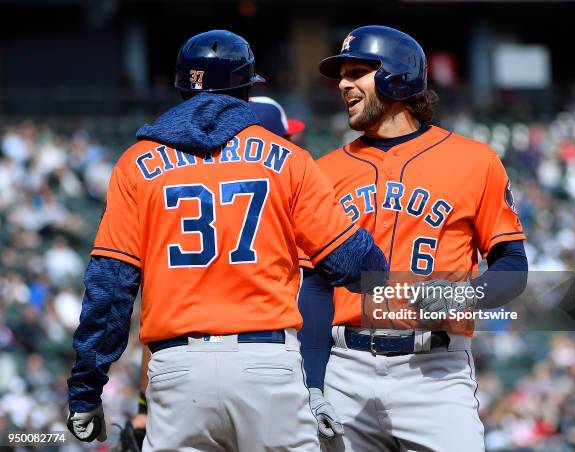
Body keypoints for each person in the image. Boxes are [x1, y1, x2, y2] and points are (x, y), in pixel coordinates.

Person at [66, 29, 387, 452]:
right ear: (246, 89)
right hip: (267, 363)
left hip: (177, 370)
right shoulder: (287, 160)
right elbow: (355, 265)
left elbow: (109, 289)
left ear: (181, 87)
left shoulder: (135, 164)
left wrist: (86, 390)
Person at [298, 25, 528, 452]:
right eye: (342, 75)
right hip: (345, 369)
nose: (344, 84)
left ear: (397, 76)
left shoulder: (474, 162)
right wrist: (312, 383)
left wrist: (464, 298)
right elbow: (313, 284)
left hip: (436, 370)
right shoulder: (322, 172)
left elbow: (512, 266)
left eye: (358, 71)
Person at [127, 95, 309, 447]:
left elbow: (157, 323)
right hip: (272, 371)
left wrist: (143, 405)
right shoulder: (293, 211)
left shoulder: (167, 197)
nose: (292, 144)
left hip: (181, 374)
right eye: (285, 138)